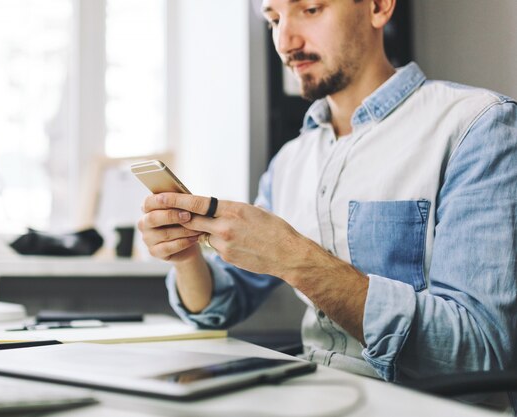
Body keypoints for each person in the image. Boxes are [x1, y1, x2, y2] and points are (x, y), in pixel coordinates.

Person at [137, 0, 517, 408]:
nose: (285, 41)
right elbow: (221, 305)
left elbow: (480, 353)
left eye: (310, 9)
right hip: (311, 397)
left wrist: (294, 258)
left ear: (378, 7)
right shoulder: (290, 161)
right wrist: (185, 253)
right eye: (274, 20)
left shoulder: (477, 126)